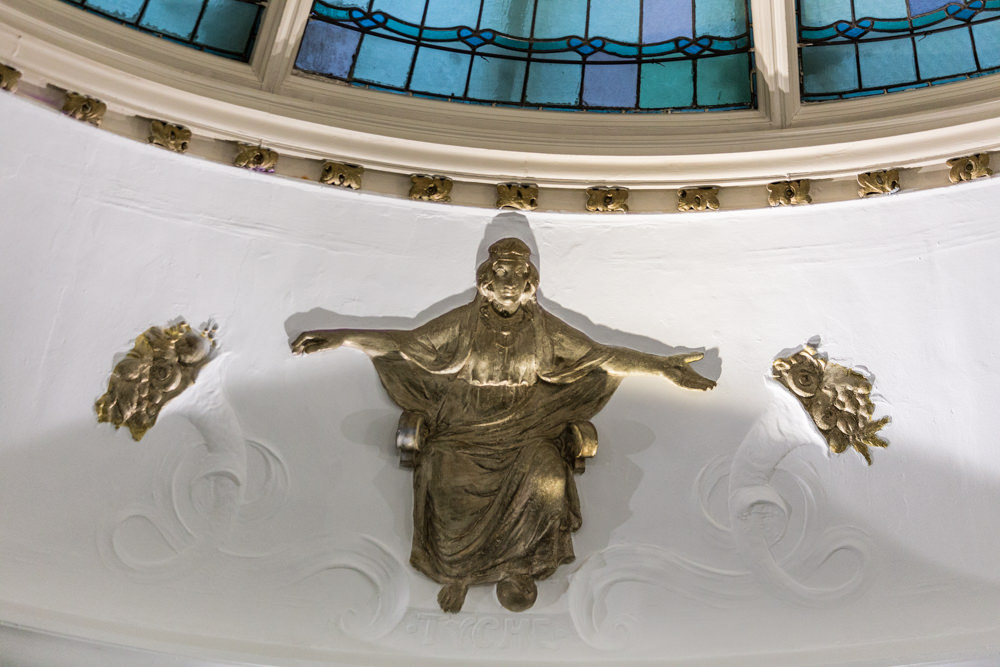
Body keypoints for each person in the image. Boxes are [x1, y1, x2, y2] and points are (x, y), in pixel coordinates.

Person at [291, 238, 715, 612]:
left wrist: (661, 367)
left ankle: (518, 567)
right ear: (486, 278)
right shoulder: (463, 322)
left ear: (529, 280)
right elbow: (406, 346)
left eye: (517, 272)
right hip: (463, 428)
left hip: (529, 429)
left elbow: (600, 356)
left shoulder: (544, 329)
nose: (508, 280)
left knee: (549, 477)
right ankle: (456, 571)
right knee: (446, 478)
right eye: (500, 271)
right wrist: (342, 336)